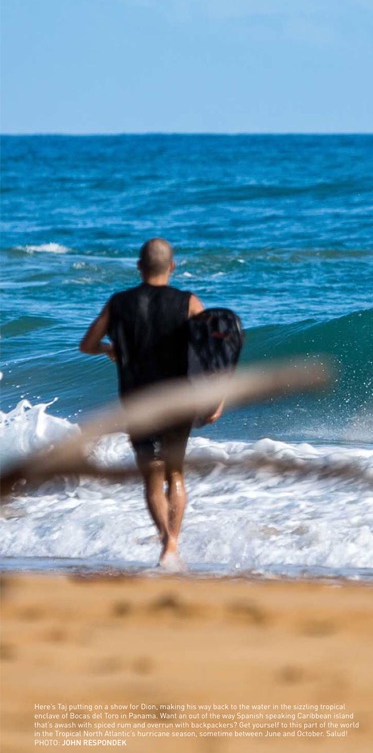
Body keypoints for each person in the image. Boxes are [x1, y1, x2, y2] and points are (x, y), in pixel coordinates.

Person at [79, 237, 219, 566]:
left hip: (138, 402)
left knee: (153, 477)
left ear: (139, 267)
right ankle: (173, 546)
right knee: (176, 474)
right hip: (178, 400)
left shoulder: (118, 303)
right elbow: (213, 354)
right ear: (172, 266)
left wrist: (108, 348)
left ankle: (167, 543)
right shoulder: (188, 302)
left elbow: (87, 344)